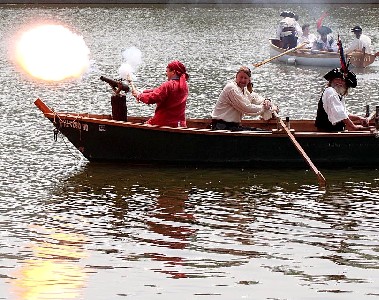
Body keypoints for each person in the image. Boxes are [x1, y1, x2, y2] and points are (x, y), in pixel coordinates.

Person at [211, 66, 277, 131]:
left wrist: (267, 101)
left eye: (245, 78)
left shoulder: (244, 89)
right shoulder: (231, 88)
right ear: (236, 77)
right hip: (221, 126)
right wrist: (264, 108)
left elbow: (257, 99)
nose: (243, 80)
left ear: (249, 80)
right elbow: (246, 107)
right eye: (241, 77)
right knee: (260, 132)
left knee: (262, 131)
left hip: (233, 126)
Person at [131, 60, 189, 127]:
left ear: (173, 72)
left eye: (167, 71)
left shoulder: (168, 85)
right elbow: (158, 91)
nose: (166, 74)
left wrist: (139, 96)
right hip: (180, 124)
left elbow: (153, 97)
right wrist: (142, 92)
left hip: (164, 123)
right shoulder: (185, 85)